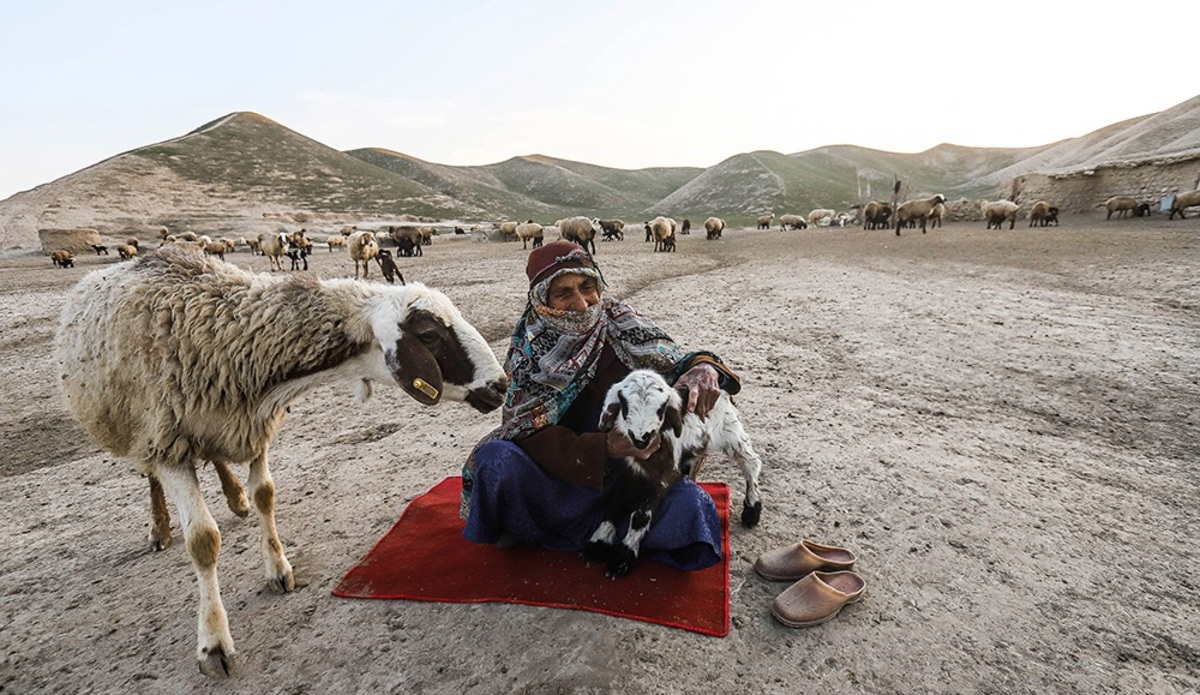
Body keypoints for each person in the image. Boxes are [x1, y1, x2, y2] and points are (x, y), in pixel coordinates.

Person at [460, 240, 742, 571]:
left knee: (691, 507)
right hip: (558, 478)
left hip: (630, 481)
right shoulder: (530, 351)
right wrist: (604, 446)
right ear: (542, 301)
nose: (581, 304)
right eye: (563, 293)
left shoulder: (622, 323)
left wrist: (704, 367)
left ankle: (552, 531)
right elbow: (524, 429)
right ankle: (558, 525)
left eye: (587, 286)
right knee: (495, 460)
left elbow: (678, 359)